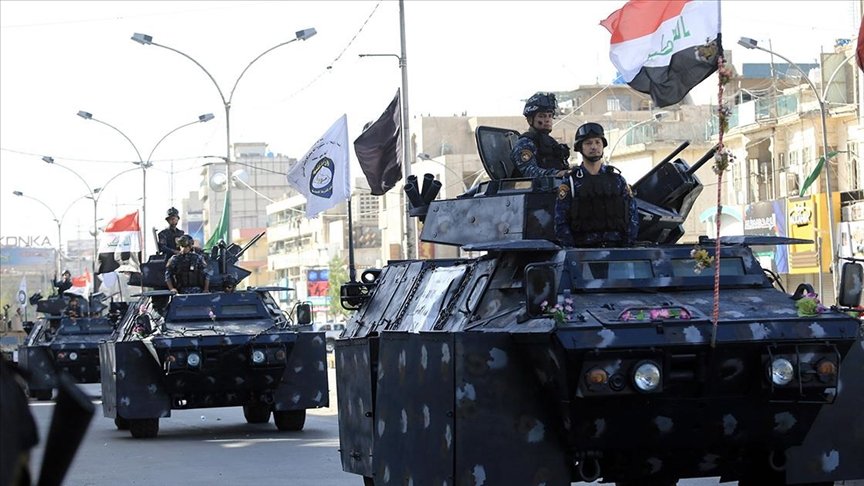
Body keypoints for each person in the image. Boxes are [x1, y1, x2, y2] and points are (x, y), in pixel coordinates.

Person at [554, 122, 639, 248]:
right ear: (580, 148)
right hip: (583, 252)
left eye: (598, 142)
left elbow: (633, 217)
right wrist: (573, 252)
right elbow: (560, 222)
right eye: (588, 143)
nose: (594, 147)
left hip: (616, 250)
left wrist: (626, 247)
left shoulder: (618, 180)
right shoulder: (571, 182)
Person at [509, 92, 571, 178]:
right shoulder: (524, 144)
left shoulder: (552, 143)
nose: (547, 120)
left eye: (550, 116)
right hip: (532, 186)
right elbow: (530, 173)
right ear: (530, 120)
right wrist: (557, 174)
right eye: (542, 116)